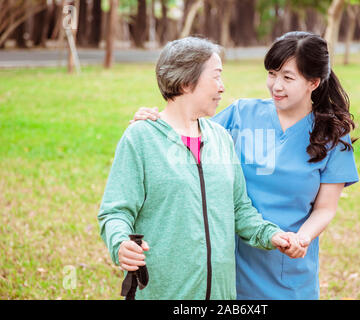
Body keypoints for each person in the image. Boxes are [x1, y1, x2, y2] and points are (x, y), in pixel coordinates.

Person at [130, 31, 359, 300]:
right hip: (228, 266)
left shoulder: (332, 134)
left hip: (288, 266)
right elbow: (185, 133)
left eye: (287, 77)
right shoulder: (241, 114)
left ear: (314, 82)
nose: (276, 85)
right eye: (272, 74)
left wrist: (302, 239)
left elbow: (325, 208)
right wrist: (154, 121)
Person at [97, 36, 304, 300]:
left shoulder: (220, 138)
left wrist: (271, 235)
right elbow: (115, 211)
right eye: (216, 77)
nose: (222, 87)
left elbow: (239, 208)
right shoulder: (140, 139)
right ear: (185, 82)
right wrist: (120, 243)